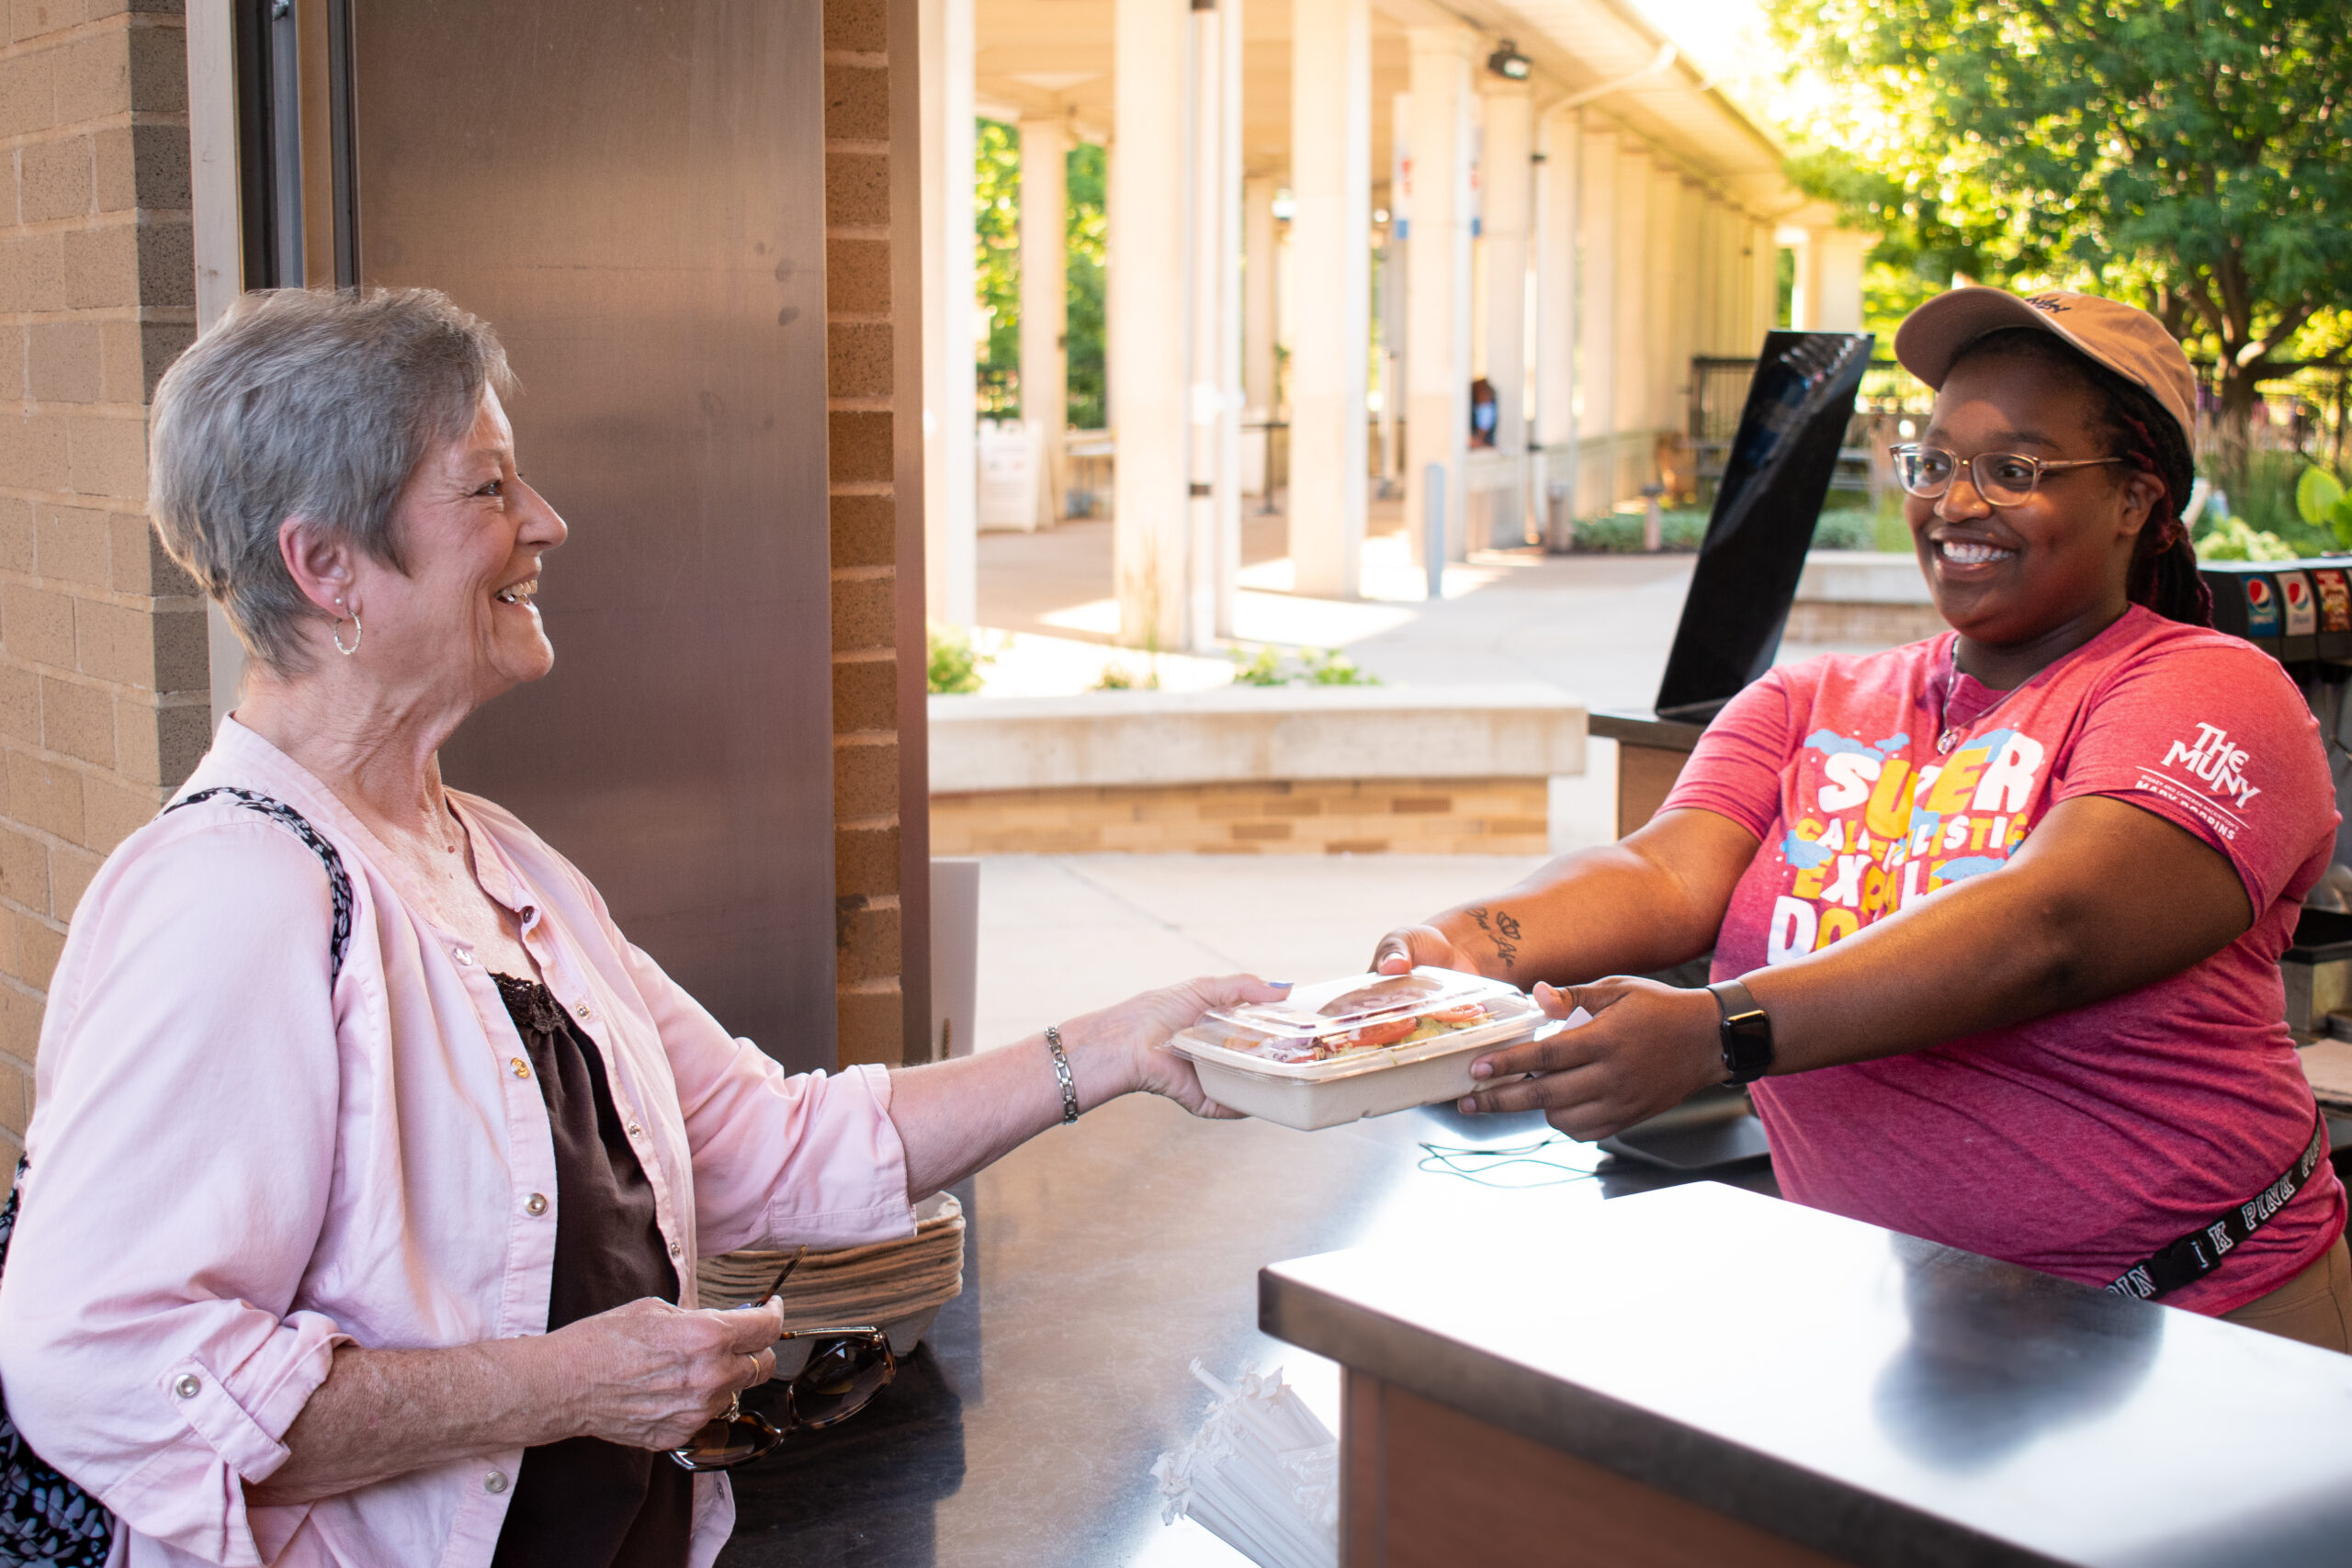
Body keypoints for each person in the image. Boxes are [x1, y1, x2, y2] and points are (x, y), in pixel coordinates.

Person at [0, 288, 1281, 1567]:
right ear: (326, 563)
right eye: (489, 487)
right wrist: (558, 1386)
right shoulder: (228, 889)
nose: (546, 522)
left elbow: (778, 1144)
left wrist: (1113, 1047)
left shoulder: (500, 860)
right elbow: (108, 1360)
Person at [1374, 288, 2352, 1349]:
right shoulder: (1808, 703)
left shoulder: (2212, 690)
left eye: (2014, 470)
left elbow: (2051, 930)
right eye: (1932, 463)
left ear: (2133, 501)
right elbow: (1664, 873)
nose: (1957, 502)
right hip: (1904, 1320)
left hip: (2202, 1318)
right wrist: (1463, 943)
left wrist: (1722, 1032)